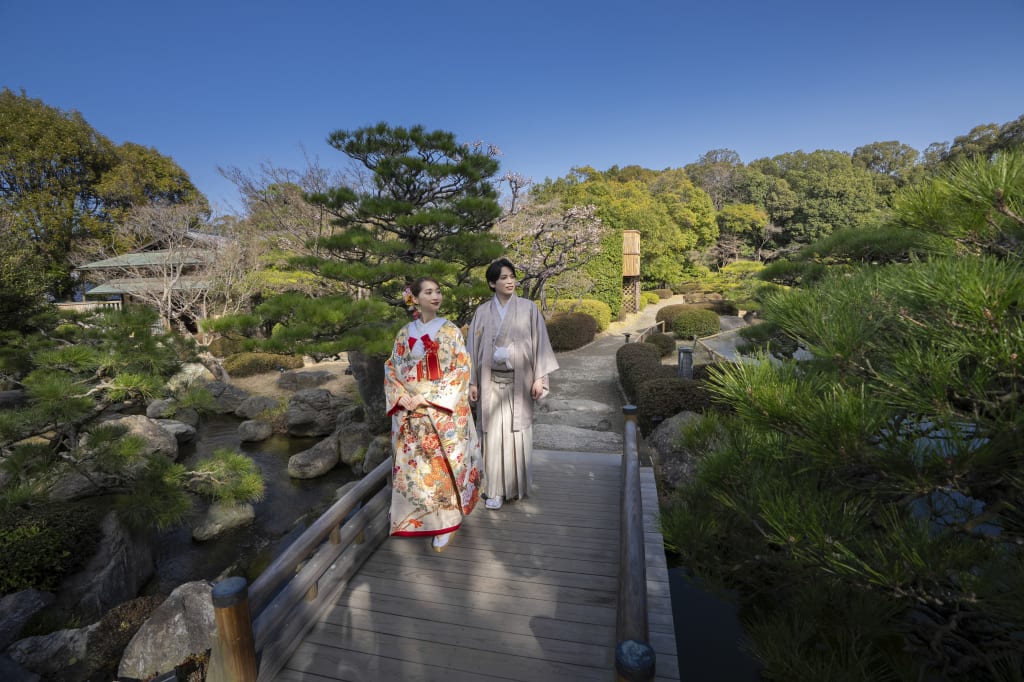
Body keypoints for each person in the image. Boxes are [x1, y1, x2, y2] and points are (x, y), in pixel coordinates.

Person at [384, 276, 482, 552]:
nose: (436, 296)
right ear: (414, 299)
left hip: (440, 411)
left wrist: (427, 397)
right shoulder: (405, 333)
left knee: (441, 468)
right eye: (428, 292)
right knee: (418, 470)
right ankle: (418, 517)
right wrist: (401, 396)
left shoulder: (450, 331)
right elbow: (392, 368)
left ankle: (446, 522)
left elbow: (461, 370)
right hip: (411, 412)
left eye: (438, 291)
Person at [467, 258, 559, 510]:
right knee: (493, 435)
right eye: (503, 278)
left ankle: (516, 486)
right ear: (492, 283)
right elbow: (472, 350)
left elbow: (540, 343)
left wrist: (540, 377)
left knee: (516, 432)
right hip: (489, 384)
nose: (509, 282)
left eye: (512, 277)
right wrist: (472, 382)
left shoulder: (528, 308)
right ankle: (493, 490)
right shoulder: (482, 312)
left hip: (520, 383)